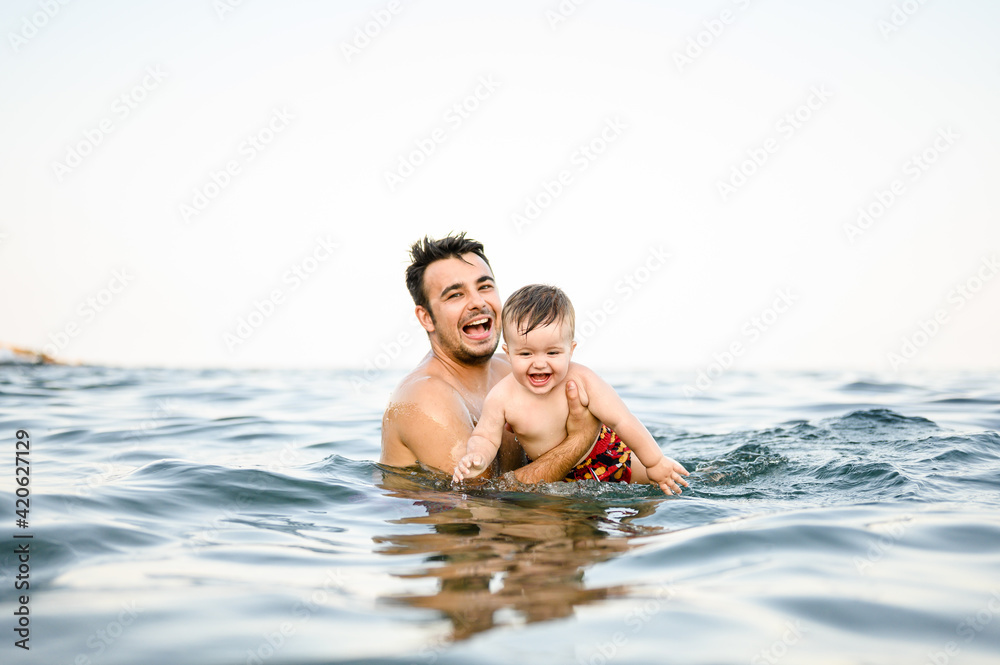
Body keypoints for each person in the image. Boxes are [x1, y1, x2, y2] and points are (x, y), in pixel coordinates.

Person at [380, 233, 600, 483]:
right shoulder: (424, 397)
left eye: (485, 287)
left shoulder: (514, 371)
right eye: (455, 295)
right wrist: (580, 439)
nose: (477, 302)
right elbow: (478, 497)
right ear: (426, 318)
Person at [452, 284, 690, 495]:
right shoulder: (502, 397)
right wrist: (477, 457)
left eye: (552, 352)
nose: (540, 363)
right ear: (508, 353)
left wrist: (655, 462)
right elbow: (485, 436)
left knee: (662, 484)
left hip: (607, 455)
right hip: (558, 476)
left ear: (571, 350)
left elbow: (622, 420)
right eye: (526, 353)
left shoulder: (582, 379)